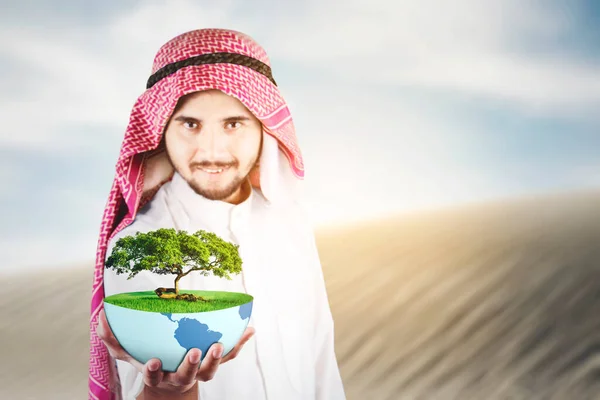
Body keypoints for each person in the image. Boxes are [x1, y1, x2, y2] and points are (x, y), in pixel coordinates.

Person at [89, 28, 346, 400]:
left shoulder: (288, 222)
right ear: (162, 131)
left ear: (264, 129)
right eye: (190, 124)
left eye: (233, 124)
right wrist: (172, 391)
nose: (211, 151)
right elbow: (142, 389)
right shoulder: (137, 245)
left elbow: (322, 364)